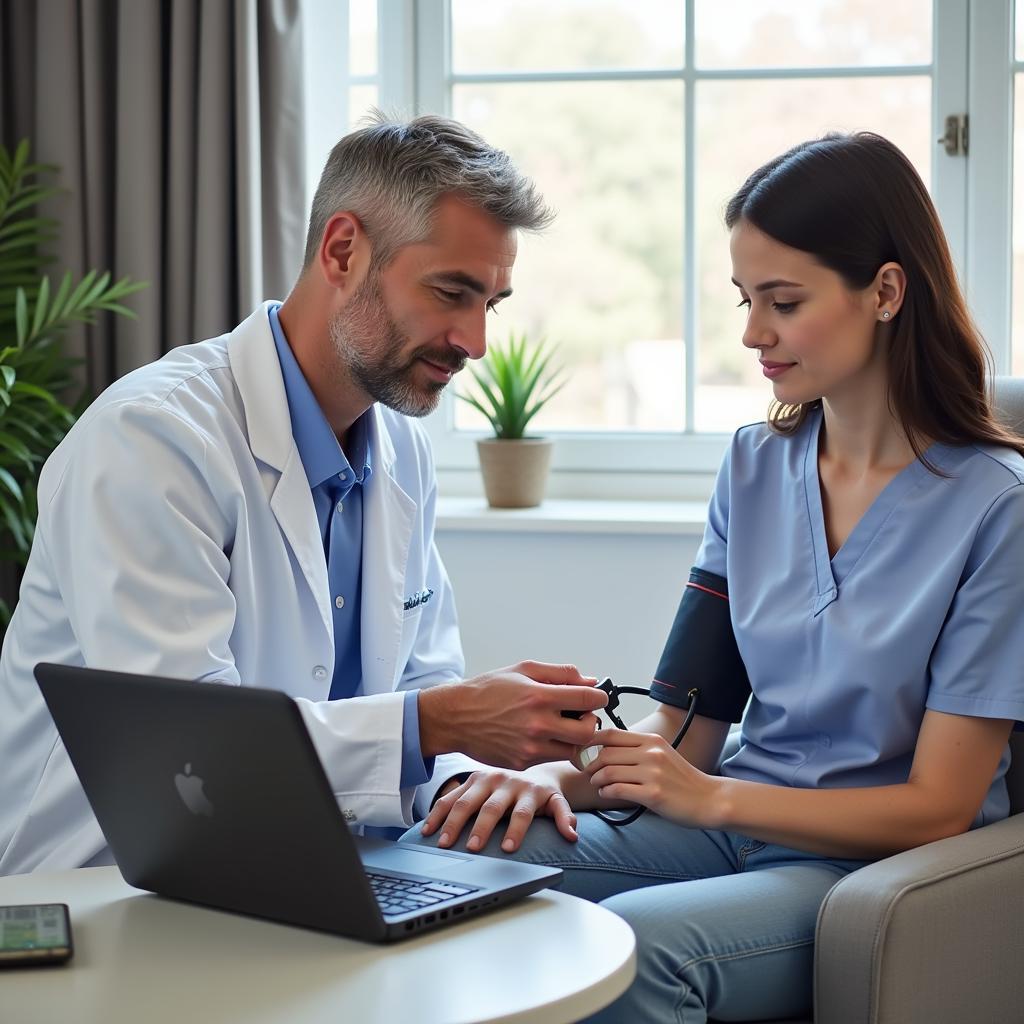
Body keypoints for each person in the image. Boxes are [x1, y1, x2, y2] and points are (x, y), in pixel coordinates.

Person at [407, 132, 1024, 1023]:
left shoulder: (996, 511)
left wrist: (711, 798)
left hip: (865, 869)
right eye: (745, 299)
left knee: (642, 949)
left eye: (784, 301)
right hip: (725, 826)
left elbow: (939, 808)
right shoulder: (753, 466)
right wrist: (553, 780)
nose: (751, 334)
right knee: (455, 863)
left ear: (886, 291)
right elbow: (686, 730)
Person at [0, 114, 607, 875]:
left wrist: (468, 777)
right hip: (116, 885)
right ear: (343, 250)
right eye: (452, 292)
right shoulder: (151, 439)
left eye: (492, 303)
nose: (474, 341)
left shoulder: (402, 451)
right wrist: (438, 724)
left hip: (317, 870)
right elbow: (192, 749)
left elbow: (423, 675)